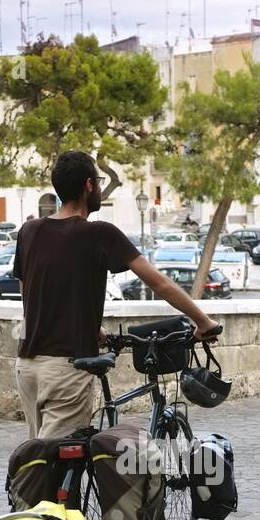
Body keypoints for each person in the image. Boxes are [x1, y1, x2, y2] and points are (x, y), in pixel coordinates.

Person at [14, 150, 221, 437]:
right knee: (54, 466)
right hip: (65, 370)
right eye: (98, 182)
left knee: (35, 463)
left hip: (27, 366)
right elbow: (158, 283)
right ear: (89, 185)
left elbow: (31, 290)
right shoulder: (99, 233)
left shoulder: (29, 231)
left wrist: (85, 323)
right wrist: (204, 322)